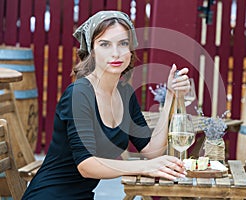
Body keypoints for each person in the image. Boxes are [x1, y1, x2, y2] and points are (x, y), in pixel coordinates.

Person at [22, 10, 191, 199]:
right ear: (92, 51)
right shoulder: (79, 94)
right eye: (105, 44)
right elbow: (86, 166)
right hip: (49, 195)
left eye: (123, 43)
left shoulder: (125, 93)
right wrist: (145, 167)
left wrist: (170, 96)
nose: (116, 53)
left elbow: (152, 151)